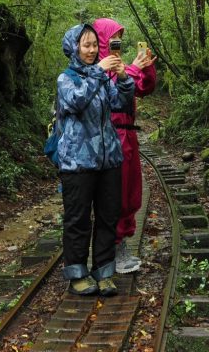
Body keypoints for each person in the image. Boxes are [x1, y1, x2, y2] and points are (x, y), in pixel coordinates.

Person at [55, 22, 136, 296]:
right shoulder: (66, 79)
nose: (91, 50)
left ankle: (104, 272)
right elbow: (75, 102)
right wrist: (98, 73)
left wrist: (124, 78)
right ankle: (77, 273)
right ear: (74, 48)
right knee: (77, 219)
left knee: (107, 217)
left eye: (93, 45)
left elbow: (120, 103)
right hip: (77, 163)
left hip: (108, 160)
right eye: (85, 45)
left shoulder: (101, 78)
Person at [93, 18, 157, 274]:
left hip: (128, 136)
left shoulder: (120, 66)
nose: (116, 43)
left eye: (120, 37)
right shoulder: (95, 68)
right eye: (113, 38)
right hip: (111, 137)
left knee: (131, 192)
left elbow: (143, 88)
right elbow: (104, 92)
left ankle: (123, 244)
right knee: (115, 194)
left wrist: (147, 67)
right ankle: (114, 249)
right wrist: (131, 69)